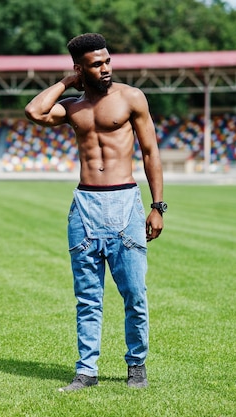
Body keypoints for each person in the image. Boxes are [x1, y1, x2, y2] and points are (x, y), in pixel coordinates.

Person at [24, 33, 165, 392]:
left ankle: (137, 366)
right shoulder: (72, 106)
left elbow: (151, 152)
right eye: (96, 64)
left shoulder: (131, 98)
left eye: (107, 61)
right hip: (85, 207)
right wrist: (65, 83)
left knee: (134, 293)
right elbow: (34, 112)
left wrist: (157, 206)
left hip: (125, 204)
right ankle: (86, 371)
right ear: (79, 68)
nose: (105, 69)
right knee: (88, 299)